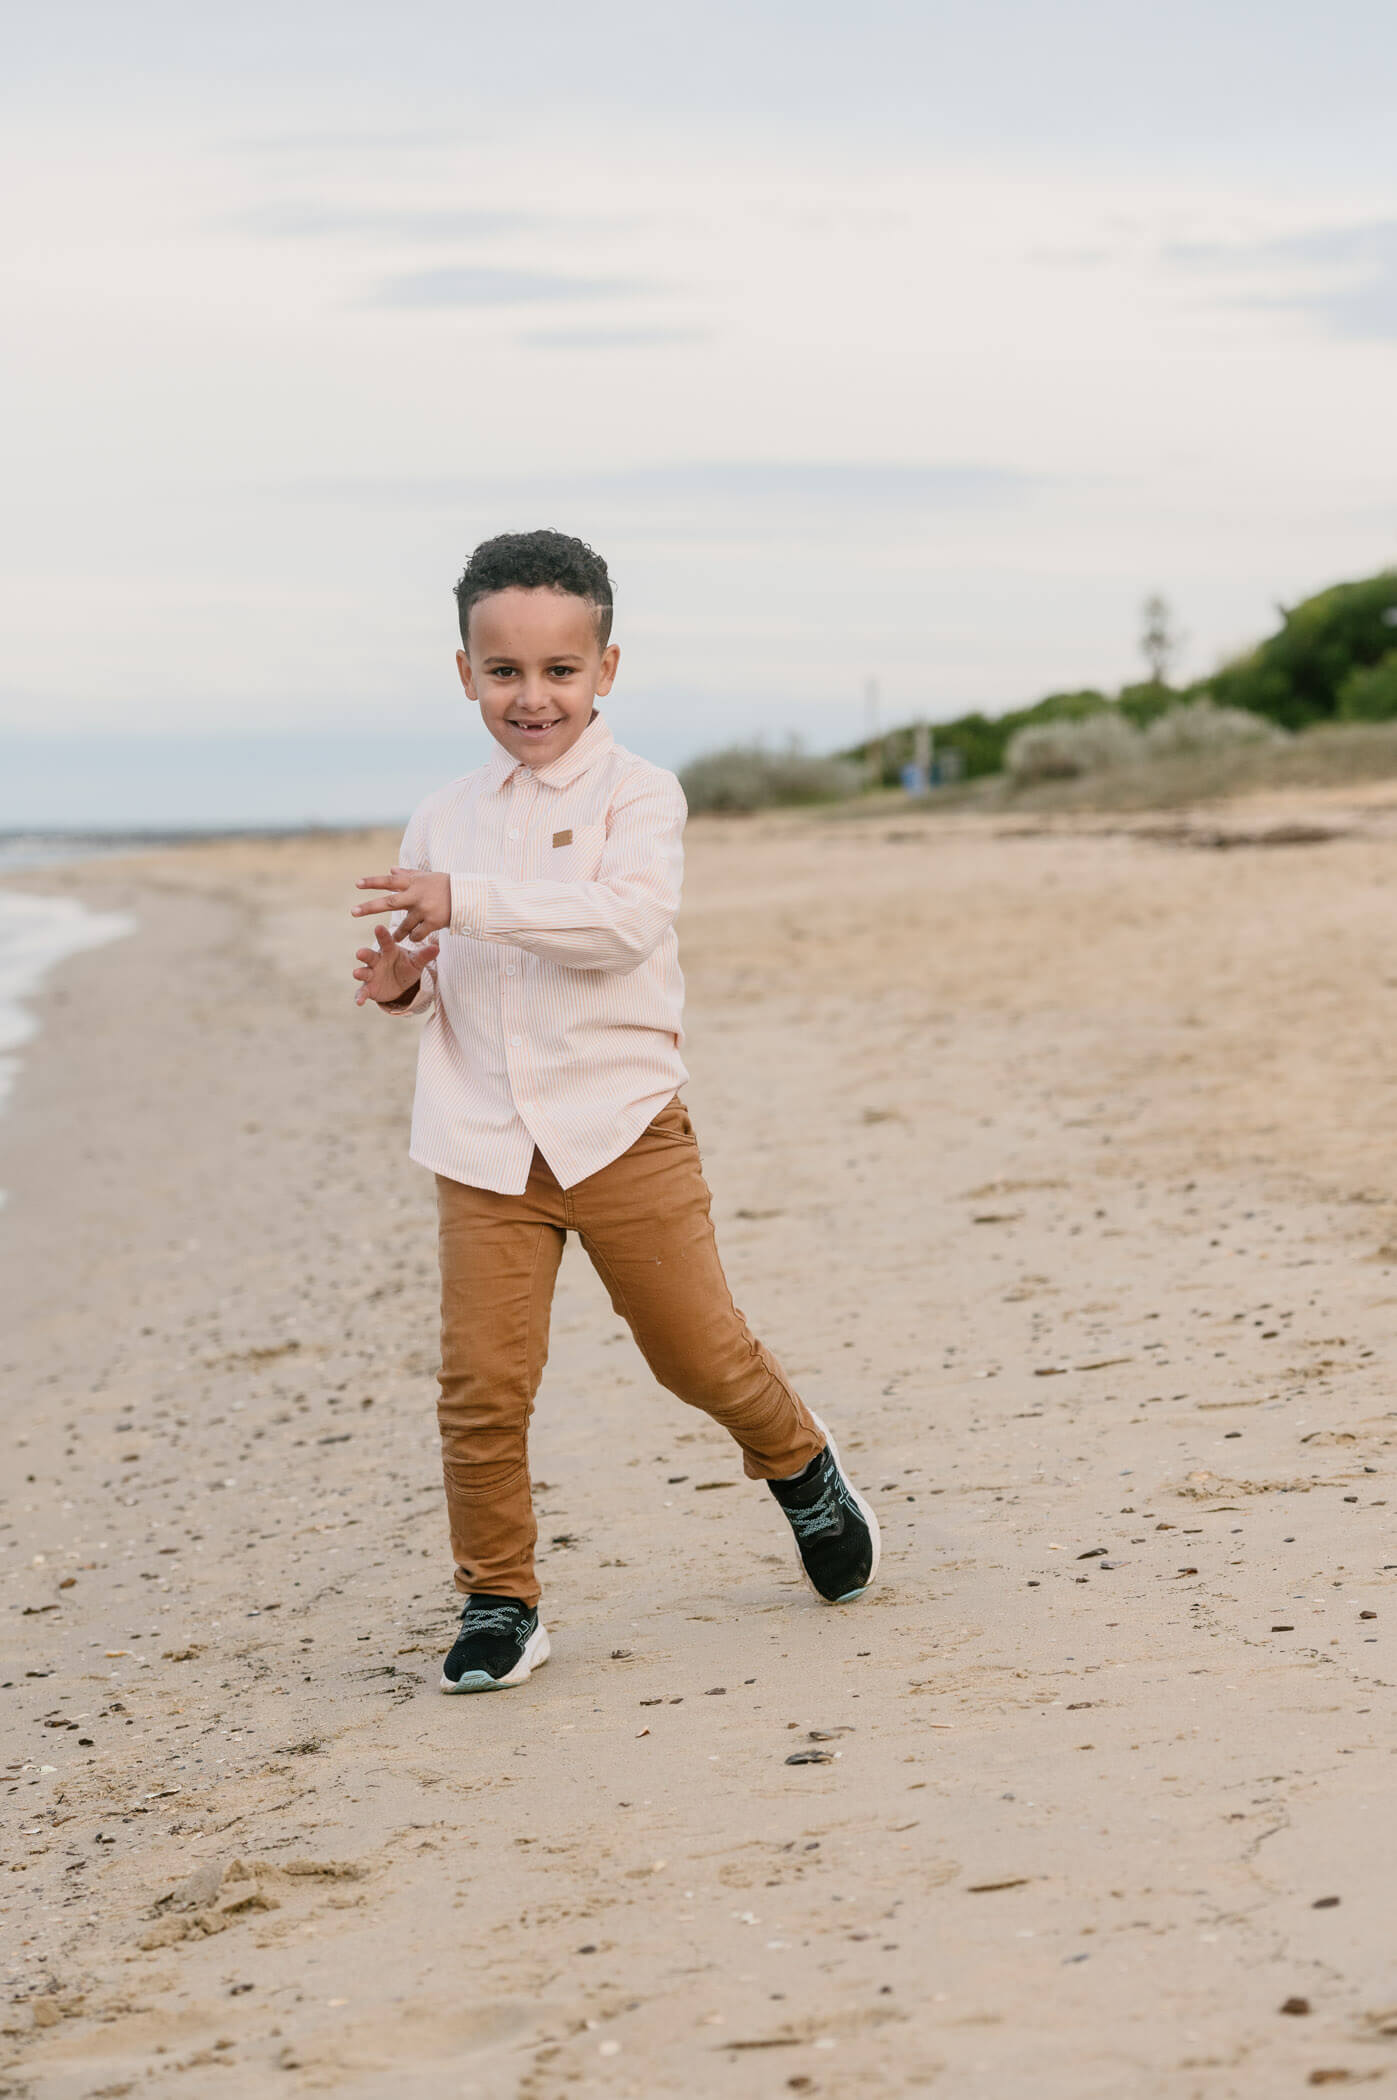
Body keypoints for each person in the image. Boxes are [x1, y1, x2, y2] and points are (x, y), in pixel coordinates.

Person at [351, 530, 879, 1693]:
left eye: (559, 670)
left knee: (698, 1357)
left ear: (606, 668)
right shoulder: (440, 817)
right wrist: (403, 986)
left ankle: (798, 1463)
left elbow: (620, 925)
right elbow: (450, 975)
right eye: (503, 671)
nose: (531, 696)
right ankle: (499, 1600)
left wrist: (464, 901)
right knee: (480, 1386)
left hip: (620, 1129)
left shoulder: (639, 795)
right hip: (483, 1145)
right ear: (464, 674)